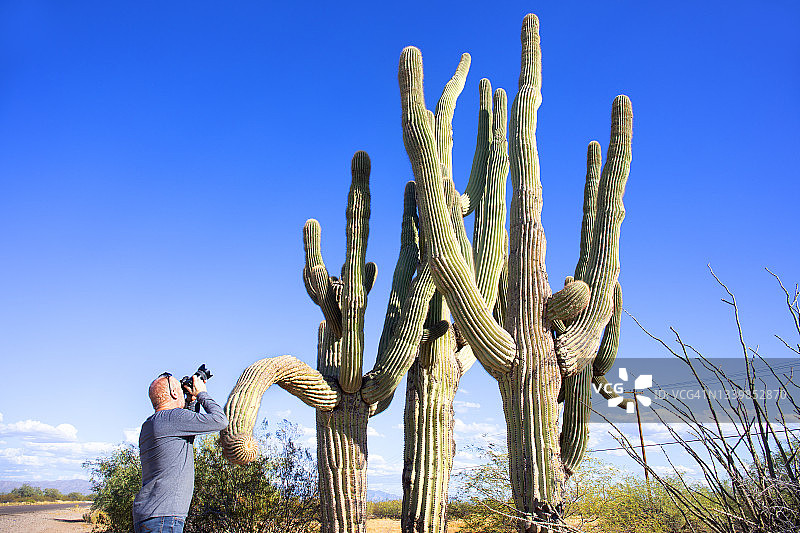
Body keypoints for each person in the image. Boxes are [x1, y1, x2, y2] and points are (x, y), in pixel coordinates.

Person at [132, 372, 228, 533]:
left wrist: (191, 402)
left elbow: (186, 435)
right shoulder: (173, 418)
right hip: (164, 517)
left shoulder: (150, 424)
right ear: (174, 393)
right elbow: (220, 420)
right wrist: (202, 393)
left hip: (148, 515)